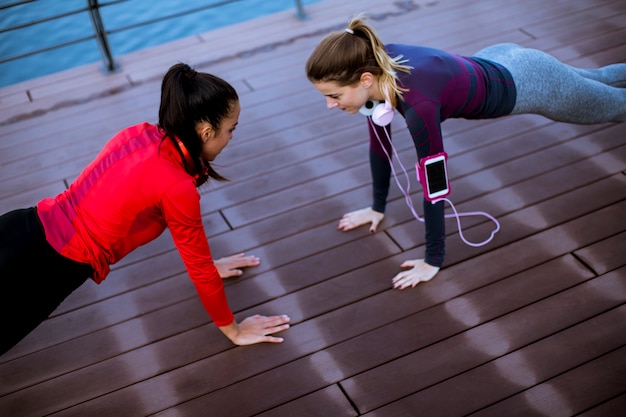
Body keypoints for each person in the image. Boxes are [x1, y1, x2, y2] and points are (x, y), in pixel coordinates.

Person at [305, 15, 626, 290]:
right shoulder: (375, 61)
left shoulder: (419, 104)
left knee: (616, 107)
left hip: (531, 82)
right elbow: (380, 146)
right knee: (598, 80)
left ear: (364, 80)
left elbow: (435, 185)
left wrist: (433, 259)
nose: (330, 105)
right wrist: (376, 208)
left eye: (334, 95)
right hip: (501, 58)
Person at [0, 63, 291, 356]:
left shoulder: (137, 134)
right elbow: (197, 267)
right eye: (231, 129)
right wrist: (235, 330)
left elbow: (135, 198)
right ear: (205, 132)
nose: (231, 137)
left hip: (21, 226)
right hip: (44, 269)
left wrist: (210, 266)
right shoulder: (177, 186)